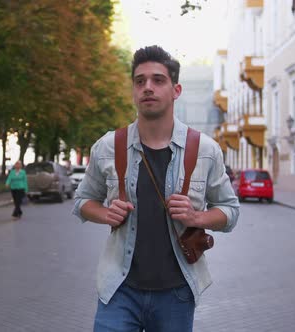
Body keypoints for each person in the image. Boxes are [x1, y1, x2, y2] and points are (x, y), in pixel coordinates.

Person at [72, 45, 240, 331]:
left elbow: (230, 211)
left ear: (176, 90)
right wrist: (105, 214)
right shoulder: (108, 146)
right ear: (134, 90)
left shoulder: (205, 150)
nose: (147, 87)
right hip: (119, 290)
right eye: (140, 81)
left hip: (176, 294)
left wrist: (196, 217)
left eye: (158, 80)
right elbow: (82, 201)